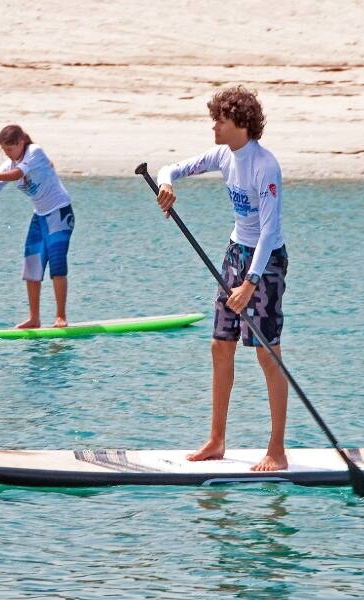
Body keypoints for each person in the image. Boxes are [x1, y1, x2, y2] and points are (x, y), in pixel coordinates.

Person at [155, 86, 289, 471]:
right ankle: (216, 440)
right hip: (234, 253)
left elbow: (268, 232)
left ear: (241, 125)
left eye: (221, 120)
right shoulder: (222, 155)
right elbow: (171, 169)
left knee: (267, 354)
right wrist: (166, 185)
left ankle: (276, 450)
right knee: (220, 345)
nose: (214, 126)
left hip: (266, 263)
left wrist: (250, 283)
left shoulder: (265, 166)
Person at [0, 125, 75, 328]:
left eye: (10, 148)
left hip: (59, 212)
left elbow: (17, 174)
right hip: (40, 217)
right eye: (4, 150)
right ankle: (34, 318)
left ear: (21, 142)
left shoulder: (34, 152)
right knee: (32, 266)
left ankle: (60, 317)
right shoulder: (7, 165)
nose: (8, 153)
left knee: (56, 262)